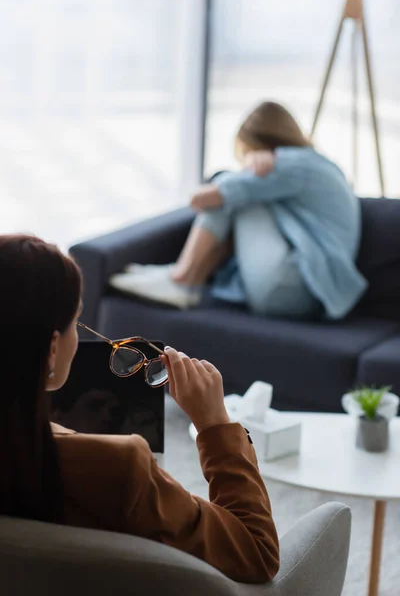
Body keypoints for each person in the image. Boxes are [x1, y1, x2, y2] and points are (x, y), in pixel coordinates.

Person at [0, 234, 279, 584]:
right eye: (76, 322)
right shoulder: (118, 468)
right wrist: (215, 425)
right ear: (52, 348)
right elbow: (257, 553)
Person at [110, 101, 367, 320]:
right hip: (310, 295)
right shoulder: (316, 165)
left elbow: (200, 199)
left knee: (230, 186)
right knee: (237, 187)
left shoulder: (291, 164)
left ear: (258, 143)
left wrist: (248, 169)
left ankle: (182, 278)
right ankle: (186, 279)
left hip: (291, 290)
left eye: (246, 152)